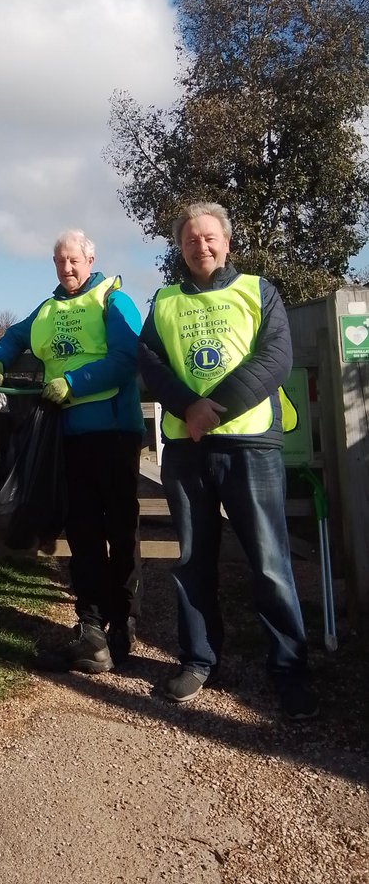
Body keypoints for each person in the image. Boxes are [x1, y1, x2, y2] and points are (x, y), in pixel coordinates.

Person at [138, 201, 318, 720]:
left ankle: (289, 669)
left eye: (210, 237)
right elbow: (149, 361)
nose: (202, 246)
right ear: (180, 247)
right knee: (193, 559)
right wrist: (187, 409)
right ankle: (198, 658)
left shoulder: (258, 290)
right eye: (191, 240)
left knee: (269, 561)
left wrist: (211, 410)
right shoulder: (165, 300)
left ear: (227, 242)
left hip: (250, 444)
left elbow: (276, 357)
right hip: (188, 450)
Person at [0, 229, 145, 673]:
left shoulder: (113, 300)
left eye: (73, 260)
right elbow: (14, 336)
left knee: (120, 529)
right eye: (59, 262)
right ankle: (91, 629)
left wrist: (74, 382)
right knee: (81, 533)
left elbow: (127, 356)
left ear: (90, 259)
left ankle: (123, 625)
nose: (67, 269)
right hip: (65, 436)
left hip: (112, 431)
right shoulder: (49, 308)